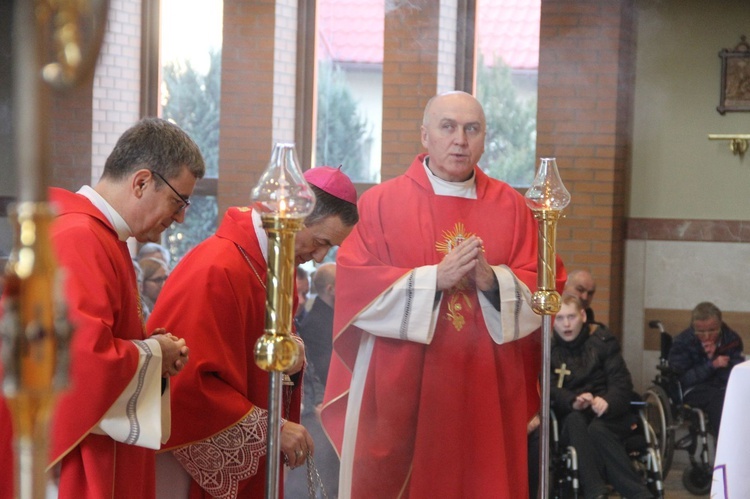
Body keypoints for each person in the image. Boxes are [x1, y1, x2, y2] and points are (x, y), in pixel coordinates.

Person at [320, 91, 565, 498]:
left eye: (472, 129)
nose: (460, 140)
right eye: (448, 127)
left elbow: (547, 288)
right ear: (425, 135)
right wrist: (436, 278)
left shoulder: (515, 208)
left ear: (485, 139)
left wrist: (494, 282)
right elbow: (355, 287)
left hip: (485, 388)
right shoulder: (382, 203)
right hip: (404, 388)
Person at [7, 117, 203, 499]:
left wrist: (151, 352)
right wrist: (152, 354)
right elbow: (80, 362)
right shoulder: (79, 237)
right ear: (142, 182)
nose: (180, 217)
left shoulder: (101, 236)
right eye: (179, 202)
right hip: (71, 465)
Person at [149, 166, 359, 498]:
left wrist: (295, 352)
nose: (319, 258)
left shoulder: (277, 267)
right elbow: (183, 382)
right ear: (292, 217)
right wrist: (272, 428)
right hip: (188, 474)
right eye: (320, 242)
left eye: (329, 249)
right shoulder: (216, 269)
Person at [550, 294, 653, 499]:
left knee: (597, 429)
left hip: (608, 415)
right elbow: (549, 387)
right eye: (559, 318)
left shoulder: (603, 343)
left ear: (583, 316)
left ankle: (634, 494)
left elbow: (621, 383)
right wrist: (572, 400)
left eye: (571, 317)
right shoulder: (549, 350)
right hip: (571, 417)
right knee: (575, 421)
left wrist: (606, 400)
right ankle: (598, 492)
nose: (566, 324)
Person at [285, 263, 340, 498]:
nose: (302, 299)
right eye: (298, 293)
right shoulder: (312, 323)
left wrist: (319, 400)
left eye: (306, 293)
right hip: (296, 417)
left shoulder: (300, 322)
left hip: (313, 410)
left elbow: (313, 370)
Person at [668, 301, 745, 437]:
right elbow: (683, 378)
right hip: (694, 390)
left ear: (720, 326)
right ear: (694, 327)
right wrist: (711, 365)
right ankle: (725, 445)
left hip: (724, 386)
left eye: (712, 330)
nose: (707, 336)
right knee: (720, 401)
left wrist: (720, 360)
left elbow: (737, 372)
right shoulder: (682, 342)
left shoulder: (731, 339)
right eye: (701, 332)